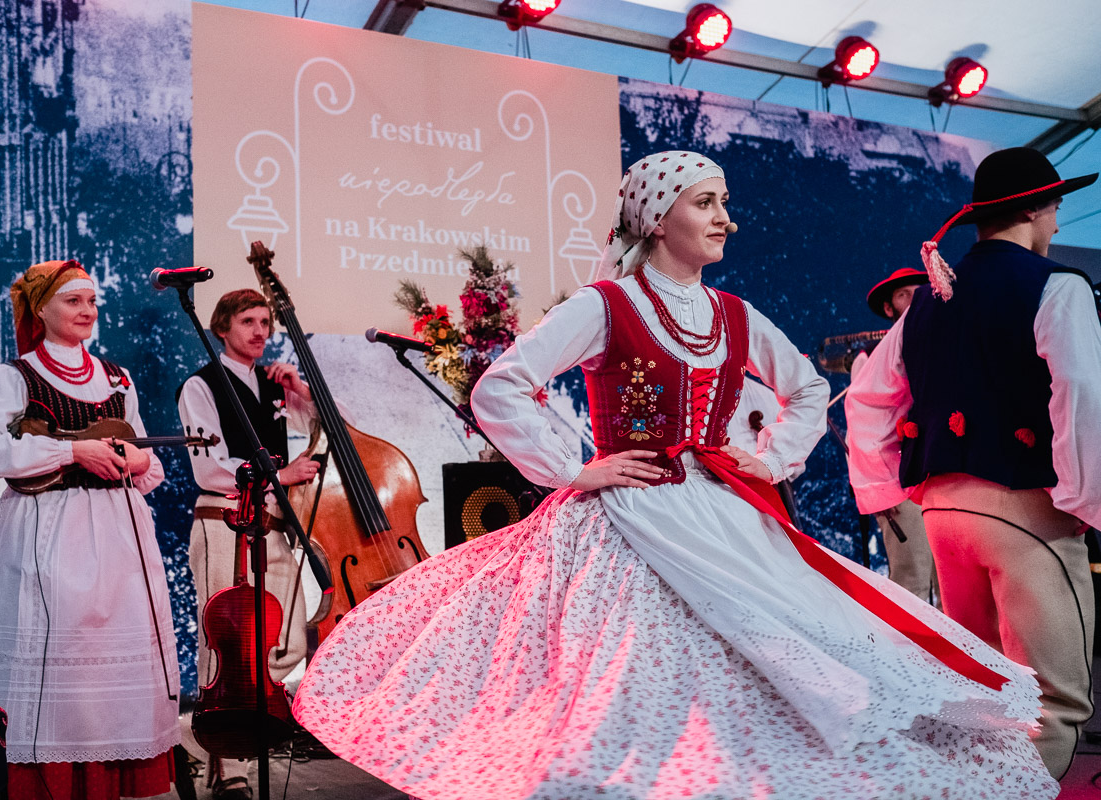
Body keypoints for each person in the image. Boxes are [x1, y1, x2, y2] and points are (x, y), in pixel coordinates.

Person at [293, 151, 1057, 799]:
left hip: (719, 509)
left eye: (725, 203)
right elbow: (501, 387)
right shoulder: (606, 305)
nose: (726, 219)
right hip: (629, 515)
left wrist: (769, 459)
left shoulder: (734, 313)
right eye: (706, 203)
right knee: (633, 684)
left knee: (767, 667)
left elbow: (806, 388)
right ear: (658, 219)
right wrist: (574, 471)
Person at [845, 146, 1101, 780]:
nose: (1058, 223)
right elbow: (1081, 393)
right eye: (1056, 208)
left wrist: (888, 495)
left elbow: (867, 400)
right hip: (1025, 508)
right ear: (1036, 209)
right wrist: (1085, 501)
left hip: (942, 514)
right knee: (1053, 701)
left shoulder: (928, 302)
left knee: (984, 684)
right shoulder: (1057, 285)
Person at [0, 259, 179, 799]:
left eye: (92, 302)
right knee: (58, 662)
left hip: (117, 538)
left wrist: (135, 460)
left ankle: (104, 775)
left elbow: (147, 462)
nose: (87, 311)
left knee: (105, 671)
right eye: (73, 301)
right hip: (47, 533)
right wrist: (71, 451)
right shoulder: (13, 376)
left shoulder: (117, 378)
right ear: (41, 309)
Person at [176, 288, 321, 800]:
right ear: (222, 327)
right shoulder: (201, 384)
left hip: (272, 523)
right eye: (248, 321)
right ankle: (226, 761)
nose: (260, 331)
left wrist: (301, 387)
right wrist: (281, 474)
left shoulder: (274, 385)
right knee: (227, 642)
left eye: (264, 322)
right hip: (224, 520)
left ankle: (228, 738)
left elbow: (328, 425)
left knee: (286, 640)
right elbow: (208, 467)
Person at [850, 268, 939, 606]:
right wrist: (882, 488)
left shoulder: (940, 339)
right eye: (904, 294)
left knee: (952, 583)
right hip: (901, 479)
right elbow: (865, 421)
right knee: (912, 578)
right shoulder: (872, 356)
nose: (915, 298)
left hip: (940, 474)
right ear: (889, 308)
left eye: (919, 290)